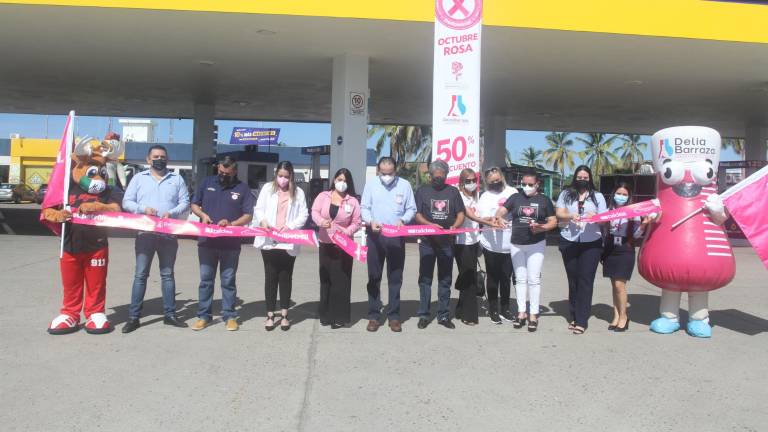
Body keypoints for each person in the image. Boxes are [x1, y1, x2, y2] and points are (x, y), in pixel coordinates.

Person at [121, 145, 190, 333]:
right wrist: (143, 209)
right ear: (148, 159)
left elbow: (185, 202)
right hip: (145, 234)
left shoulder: (176, 179)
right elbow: (126, 202)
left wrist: (173, 212)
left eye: (163, 156)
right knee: (141, 275)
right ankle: (134, 317)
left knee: (167, 275)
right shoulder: (138, 179)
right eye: (156, 156)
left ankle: (170, 314)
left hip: (168, 234)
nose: (159, 159)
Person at [190, 156, 254, 332]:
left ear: (234, 171)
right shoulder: (206, 182)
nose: (223, 175)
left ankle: (230, 316)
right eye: (220, 171)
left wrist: (232, 224)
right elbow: (195, 204)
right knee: (206, 281)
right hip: (207, 242)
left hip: (230, 244)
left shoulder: (242, 188)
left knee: (228, 281)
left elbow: (248, 214)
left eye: (227, 173)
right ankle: (204, 316)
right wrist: (202, 215)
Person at [494, 170, 557, 332]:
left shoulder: (544, 200)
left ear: (537, 184)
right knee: (520, 279)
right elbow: (501, 211)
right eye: (524, 184)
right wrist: (499, 217)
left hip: (536, 244)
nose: (526, 187)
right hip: (516, 244)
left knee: (533, 279)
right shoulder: (515, 197)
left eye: (530, 184)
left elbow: (553, 222)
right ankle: (521, 312)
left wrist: (541, 227)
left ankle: (533, 314)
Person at [360, 157, 416, 332]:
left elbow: (411, 209)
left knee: (395, 278)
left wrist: (403, 219)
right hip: (375, 237)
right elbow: (364, 207)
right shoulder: (371, 185)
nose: (386, 176)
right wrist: (370, 221)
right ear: (378, 170)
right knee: (374, 277)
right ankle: (374, 315)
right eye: (383, 173)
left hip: (396, 237)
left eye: (389, 173)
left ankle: (394, 316)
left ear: (395, 170)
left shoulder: (405, 185)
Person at [254, 161, 309, 331]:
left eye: (286, 176)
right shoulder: (267, 189)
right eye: (280, 176)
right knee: (270, 277)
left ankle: (285, 314)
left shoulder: (298, 192)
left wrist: (291, 226)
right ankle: (270, 315)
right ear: (275, 174)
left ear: (291, 176)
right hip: (269, 240)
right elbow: (259, 208)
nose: (283, 180)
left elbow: (304, 214)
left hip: (287, 240)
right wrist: (263, 220)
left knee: (285, 277)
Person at [555, 165, 608, 335]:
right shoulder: (566, 194)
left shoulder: (597, 196)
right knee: (573, 280)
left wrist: (596, 217)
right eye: (579, 177)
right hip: (569, 240)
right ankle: (573, 314)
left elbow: (605, 219)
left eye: (585, 178)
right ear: (575, 177)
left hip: (591, 242)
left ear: (590, 178)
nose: (582, 180)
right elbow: (559, 213)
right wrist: (571, 216)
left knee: (585, 280)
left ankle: (582, 320)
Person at [414, 160, 465, 329]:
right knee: (425, 279)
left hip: (446, 243)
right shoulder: (422, 191)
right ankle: (423, 314)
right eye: (434, 176)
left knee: (445, 279)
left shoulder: (453, 192)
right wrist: (429, 225)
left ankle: (443, 315)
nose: (437, 179)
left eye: (440, 176)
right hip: (427, 242)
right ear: (430, 175)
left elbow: (460, 214)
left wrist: (455, 226)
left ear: (446, 175)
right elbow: (417, 214)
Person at [311, 168, 361, 328]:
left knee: (342, 280)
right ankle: (326, 315)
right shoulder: (323, 196)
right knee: (326, 279)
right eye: (339, 179)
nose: (342, 183)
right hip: (326, 242)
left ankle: (340, 316)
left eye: (345, 180)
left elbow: (357, 222)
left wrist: (347, 231)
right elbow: (314, 212)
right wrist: (320, 222)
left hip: (344, 245)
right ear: (334, 180)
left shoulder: (352, 201)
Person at [602, 182, 649, 332]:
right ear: (613, 194)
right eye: (618, 193)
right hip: (610, 248)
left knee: (619, 285)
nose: (621, 197)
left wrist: (643, 225)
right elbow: (601, 226)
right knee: (613, 284)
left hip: (625, 248)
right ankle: (615, 315)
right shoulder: (609, 211)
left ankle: (624, 316)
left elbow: (635, 234)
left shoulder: (633, 212)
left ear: (629, 197)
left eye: (624, 195)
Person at [476, 166, 517, 324]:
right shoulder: (485, 196)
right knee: (493, 278)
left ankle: (505, 309)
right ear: (487, 182)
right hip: (491, 245)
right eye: (492, 181)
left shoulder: (512, 192)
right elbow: (482, 217)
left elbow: (517, 211)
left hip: (510, 244)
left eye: (498, 179)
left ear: (502, 178)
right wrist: (492, 219)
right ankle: (493, 309)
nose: (495, 182)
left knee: (506, 278)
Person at [454, 168, 482, 325]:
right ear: (461, 182)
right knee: (469, 275)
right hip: (461, 241)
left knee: (467, 274)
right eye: (468, 181)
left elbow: (481, 214)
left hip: (475, 240)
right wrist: (488, 222)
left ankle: (460, 308)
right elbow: (469, 215)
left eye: (473, 180)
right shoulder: (458, 197)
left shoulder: (478, 197)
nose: (471, 184)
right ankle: (469, 314)